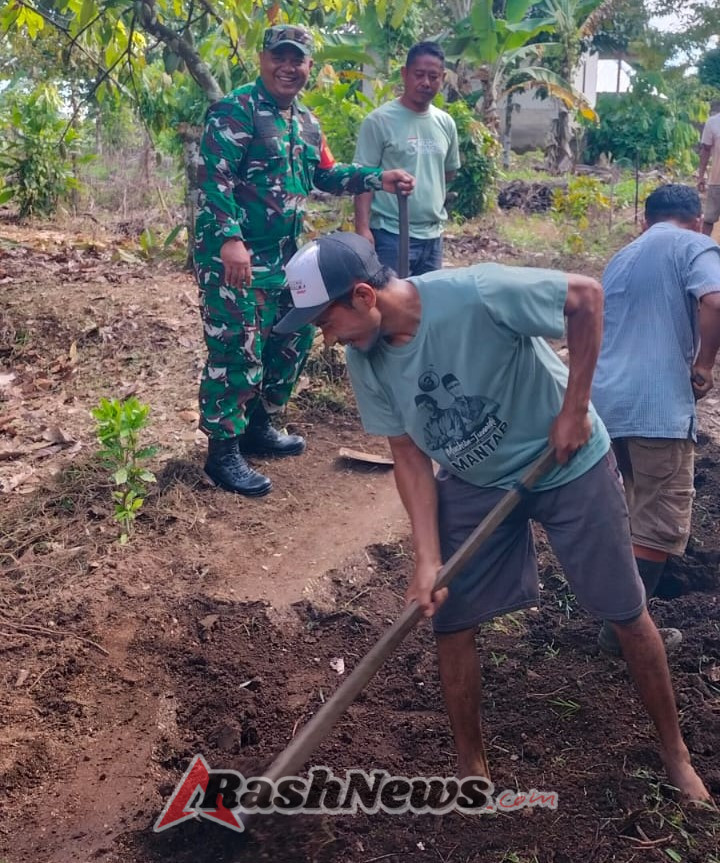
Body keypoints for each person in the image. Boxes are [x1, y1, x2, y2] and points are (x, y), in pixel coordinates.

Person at [274, 231, 711, 802]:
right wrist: (427, 559)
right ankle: (471, 768)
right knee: (449, 619)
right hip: (477, 480)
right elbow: (408, 457)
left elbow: (586, 297)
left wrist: (575, 409)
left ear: (362, 295)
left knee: (626, 610)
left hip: (569, 462)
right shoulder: (367, 358)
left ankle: (674, 752)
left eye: (322, 321)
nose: (325, 338)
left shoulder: (475, 292)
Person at [194, 24, 415, 496]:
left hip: (285, 259)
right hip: (236, 259)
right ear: (263, 58)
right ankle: (223, 451)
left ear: (309, 66)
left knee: (287, 345)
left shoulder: (307, 123)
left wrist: (380, 177)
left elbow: (328, 176)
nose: (288, 67)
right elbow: (214, 180)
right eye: (280, 56)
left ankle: (259, 425)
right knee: (238, 349)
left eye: (298, 60)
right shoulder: (235, 111)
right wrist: (230, 239)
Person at [592, 184, 720, 656]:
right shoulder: (696, 245)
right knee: (658, 525)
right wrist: (705, 363)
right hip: (657, 407)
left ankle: (619, 619)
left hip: (607, 407)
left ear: (645, 221)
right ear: (695, 221)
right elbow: (715, 299)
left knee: (633, 509)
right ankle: (621, 633)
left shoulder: (620, 258)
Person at [353, 41, 460, 276]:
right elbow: (362, 179)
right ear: (404, 74)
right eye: (419, 75)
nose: (426, 83)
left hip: (433, 237)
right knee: (394, 306)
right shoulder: (379, 121)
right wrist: (362, 229)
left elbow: (448, 172)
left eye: (433, 77)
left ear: (442, 78)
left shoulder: (446, 123)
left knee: (427, 306)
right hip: (391, 234)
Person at [698, 99, 720, 237]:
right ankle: (703, 249)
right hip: (717, 182)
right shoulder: (713, 122)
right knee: (708, 220)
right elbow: (705, 150)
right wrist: (701, 176)